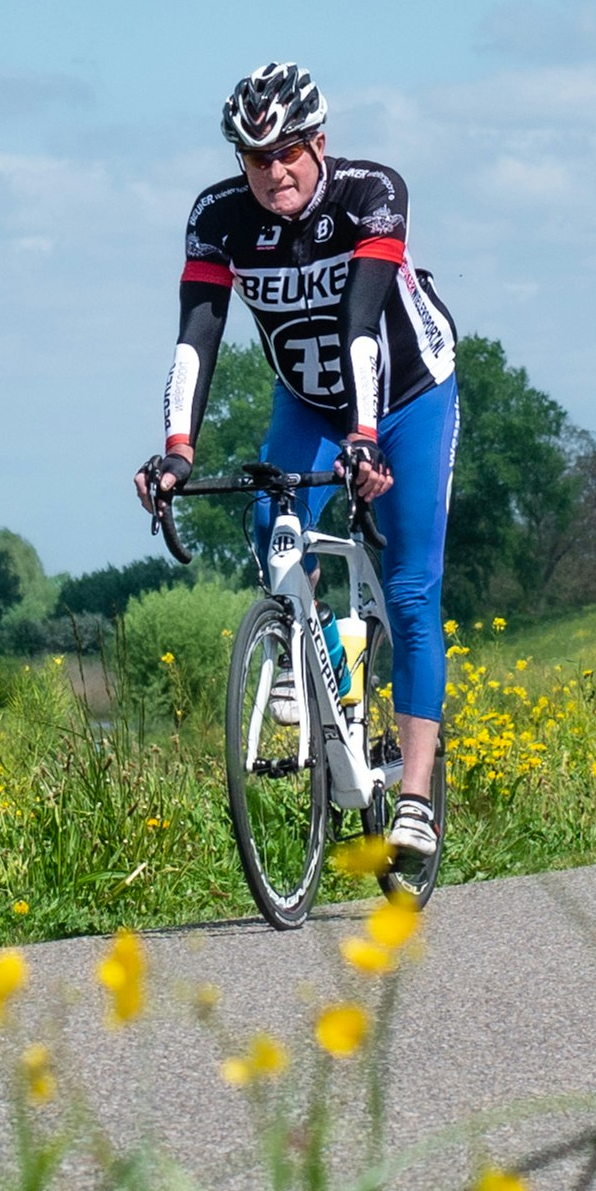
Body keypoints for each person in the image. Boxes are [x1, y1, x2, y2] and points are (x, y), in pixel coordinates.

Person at [133, 58, 460, 876]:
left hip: (407, 393)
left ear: (318, 142)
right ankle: (317, 659)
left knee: (414, 586)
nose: (272, 171)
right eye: (254, 157)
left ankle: (414, 800)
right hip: (307, 400)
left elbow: (361, 318)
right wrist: (176, 450)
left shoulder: (369, 193)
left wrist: (365, 437)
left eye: (286, 152)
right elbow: (196, 333)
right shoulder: (218, 217)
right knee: (270, 525)